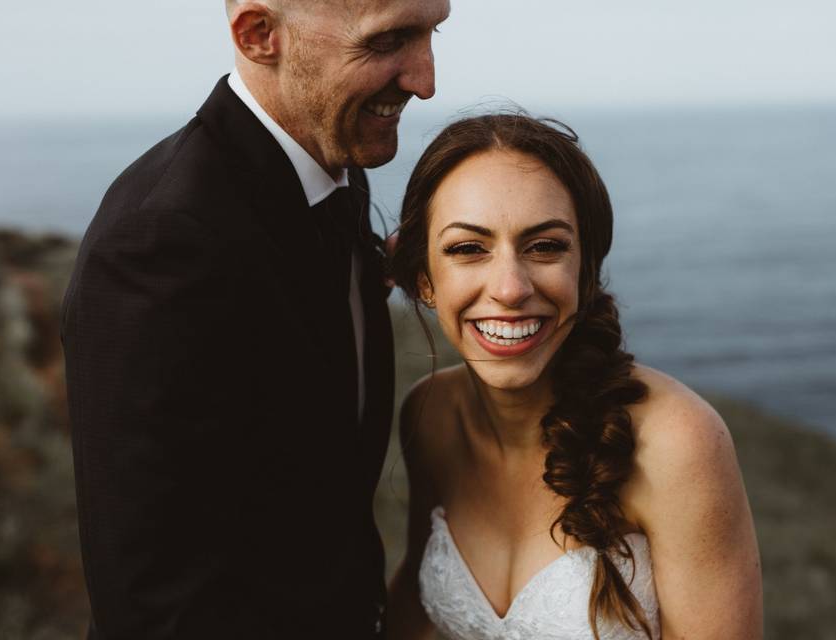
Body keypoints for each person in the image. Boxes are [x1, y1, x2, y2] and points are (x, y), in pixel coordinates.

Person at [60, 1, 449, 638]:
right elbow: (154, 602)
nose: (426, 80)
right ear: (259, 35)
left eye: (432, 34)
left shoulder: (333, 168)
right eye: (389, 41)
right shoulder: (160, 243)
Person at [385, 114, 764, 640]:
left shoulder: (679, 444)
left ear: (586, 272)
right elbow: (414, 609)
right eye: (468, 249)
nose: (510, 287)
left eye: (545, 246)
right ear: (424, 279)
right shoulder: (427, 416)